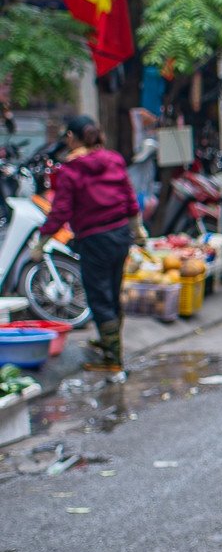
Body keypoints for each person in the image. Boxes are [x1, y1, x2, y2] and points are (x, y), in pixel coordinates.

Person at [41, 115, 139, 374]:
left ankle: (112, 359)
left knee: (99, 298)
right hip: (120, 235)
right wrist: (137, 230)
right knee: (113, 292)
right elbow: (130, 199)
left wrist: (42, 238)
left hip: (94, 239)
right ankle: (110, 343)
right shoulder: (114, 159)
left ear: (71, 137)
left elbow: (60, 211)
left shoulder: (70, 171)